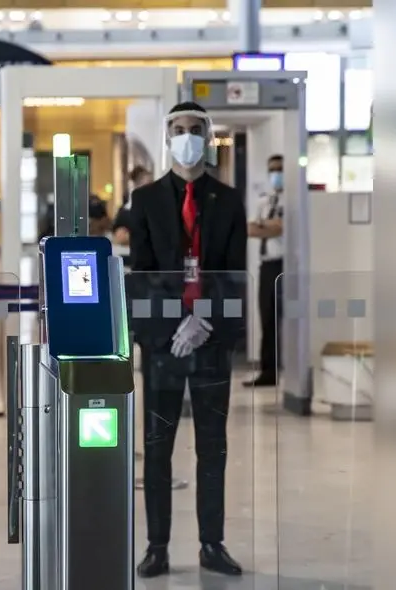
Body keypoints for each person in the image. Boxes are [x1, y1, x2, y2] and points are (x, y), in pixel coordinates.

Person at [128, 101, 247, 578]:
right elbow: (143, 275)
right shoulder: (147, 200)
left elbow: (233, 272)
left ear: (208, 135)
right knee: (157, 447)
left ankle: (211, 543)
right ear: (167, 137)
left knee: (212, 447)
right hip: (162, 345)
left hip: (211, 341)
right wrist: (171, 325)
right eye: (178, 129)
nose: (186, 136)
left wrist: (204, 321)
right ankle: (157, 545)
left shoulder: (229, 200)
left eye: (195, 129)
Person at [243, 154, 285, 387]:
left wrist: (266, 226)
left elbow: (281, 228)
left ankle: (289, 368)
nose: (275, 174)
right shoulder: (266, 200)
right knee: (267, 319)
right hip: (266, 265)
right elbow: (250, 229)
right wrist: (268, 227)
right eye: (272, 170)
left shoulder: (291, 200)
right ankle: (268, 371)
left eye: (279, 169)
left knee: (287, 319)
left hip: (285, 265)